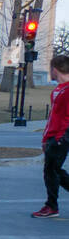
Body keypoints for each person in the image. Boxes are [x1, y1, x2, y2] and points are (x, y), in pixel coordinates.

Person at [32, 55, 69, 219]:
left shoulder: (67, 90)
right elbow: (53, 116)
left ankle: (51, 206)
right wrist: (45, 138)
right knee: (54, 170)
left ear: (55, 69)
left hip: (62, 137)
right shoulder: (58, 89)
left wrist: (60, 137)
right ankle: (51, 205)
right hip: (53, 135)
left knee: (51, 171)